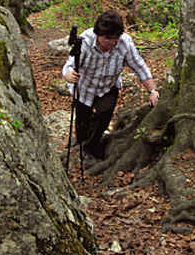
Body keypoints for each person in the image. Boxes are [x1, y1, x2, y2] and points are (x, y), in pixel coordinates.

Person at [62, 10, 159, 163]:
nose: (111, 43)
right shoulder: (85, 41)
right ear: (98, 34)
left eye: (115, 38)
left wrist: (152, 90)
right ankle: (80, 141)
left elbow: (139, 65)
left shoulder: (124, 43)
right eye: (107, 38)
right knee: (82, 119)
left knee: (104, 115)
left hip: (108, 86)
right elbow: (69, 65)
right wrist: (68, 74)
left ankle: (91, 148)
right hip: (84, 88)